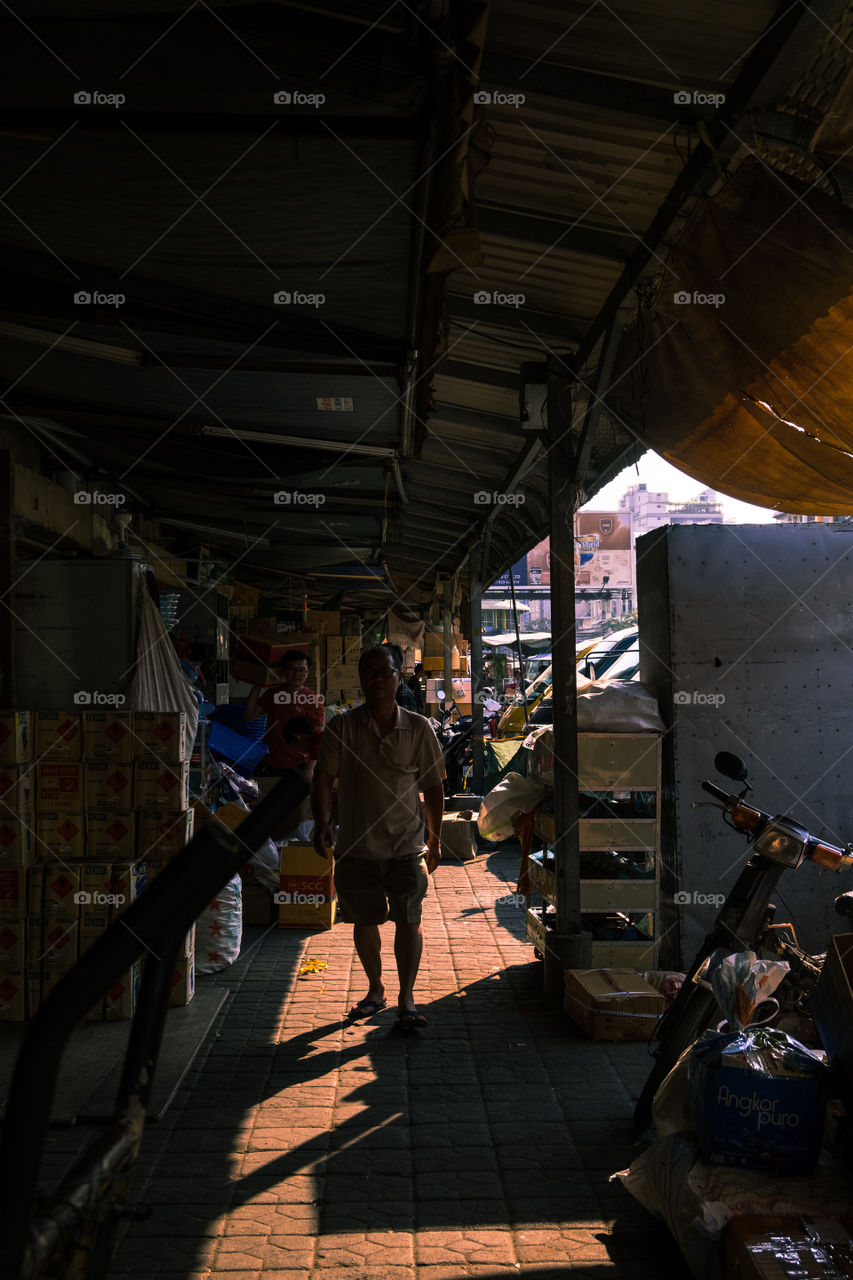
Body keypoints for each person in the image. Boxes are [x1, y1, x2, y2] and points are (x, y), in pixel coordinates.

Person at [311, 644, 445, 1028]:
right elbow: (323, 778)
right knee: (364, 921)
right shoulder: (343, 727)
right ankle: (375, 989)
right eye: (369, 674)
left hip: (406, 846)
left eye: (384, 673)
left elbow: (434, 788)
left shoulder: (418, 728)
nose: (377, 680)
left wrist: (435, 839)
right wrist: (323, 822)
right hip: (356, 846)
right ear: (361, 680)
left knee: (409, 920)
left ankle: (406, 998)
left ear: (398, 675)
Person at [245, 650, 325, 776]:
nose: (296, 674)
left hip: (298, 765)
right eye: (291, 669)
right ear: (283, 670)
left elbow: (318, 738)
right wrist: (258, 684)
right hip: (269, 762)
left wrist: (309, 770)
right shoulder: (272, 694)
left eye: (301, 670)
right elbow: (250, 715)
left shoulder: (314, 700)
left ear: (307, 673)